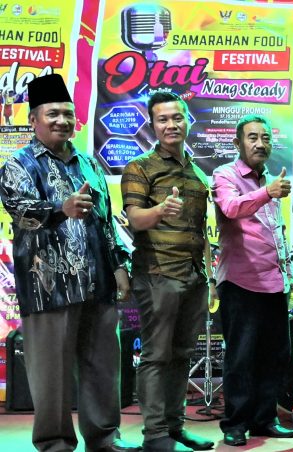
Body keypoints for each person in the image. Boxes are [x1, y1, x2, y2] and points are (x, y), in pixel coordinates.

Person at [0, 74, 140, 452]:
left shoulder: (88, 164)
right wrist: (61, 209)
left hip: (97, 283)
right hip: (49, 287)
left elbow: (106, 221)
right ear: (33, 119)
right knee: (52, 374)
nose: (62, 121)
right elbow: (21, 211)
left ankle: (105, 437)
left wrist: (119, 265)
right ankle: (55, 442)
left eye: (67, 114)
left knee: (103, 367)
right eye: (53, 114)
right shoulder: (19, 164)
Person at [121, 91, 216, 452]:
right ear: (153, 125)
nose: (171, 124)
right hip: (158, 274)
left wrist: (208, 274)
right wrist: (160, 210)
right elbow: (135, 218)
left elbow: (200, 230)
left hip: (193, 275)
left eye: (177, 117)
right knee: (156, 355)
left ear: (187, 121)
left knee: (181, 354)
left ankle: (175, 428)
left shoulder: (195, 170)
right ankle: (155, 434)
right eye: (163, 119)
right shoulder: (140, 167)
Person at [211, 115, 293, 446]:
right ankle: (235, 423)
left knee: (273, 356)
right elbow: (231, 208)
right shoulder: (225, 175)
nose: (260, 144)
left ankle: (264, 419)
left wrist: (288, 275)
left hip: (274, 283)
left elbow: (273, 232)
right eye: (252, 137)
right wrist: (266, 192)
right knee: (241, 357)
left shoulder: (269, 179)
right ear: (237, 143)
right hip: (240, 283)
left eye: (265, 138)